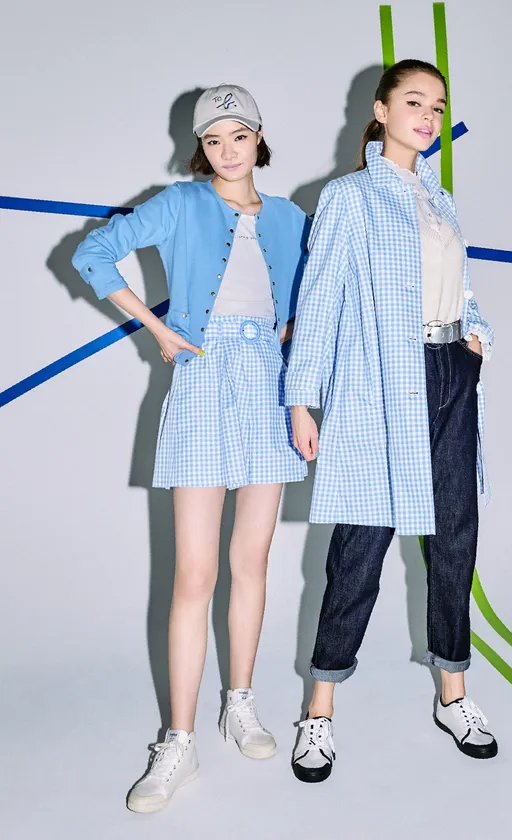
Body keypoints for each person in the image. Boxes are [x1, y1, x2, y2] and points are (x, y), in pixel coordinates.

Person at [72, 84, 309, 811]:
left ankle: (240, 702)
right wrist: (156, 328)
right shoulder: (178, 203)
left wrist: (300, 393)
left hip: (270, 385)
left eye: (239, 135)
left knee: (252, 562)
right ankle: (179, 740)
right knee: (194, 574)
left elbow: (309, 308)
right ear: (201, 148)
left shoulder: (292, 218)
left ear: (259, 138)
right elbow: (93, 252)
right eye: (213, 139)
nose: (228, 150)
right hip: (204, 380)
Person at [285, 59, 497, 783]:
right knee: (360, 546)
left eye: (438, 106)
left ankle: (453, 695)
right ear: (380, 110)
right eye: (414, 102)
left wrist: (475, 337)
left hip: (451, 374)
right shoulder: (348, 198)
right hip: (381, 386)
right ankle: (319, 710)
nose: (428, 117)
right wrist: (301, 398)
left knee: (455, 539)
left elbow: (459, 286)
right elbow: (319, 301)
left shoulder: (440, 198)